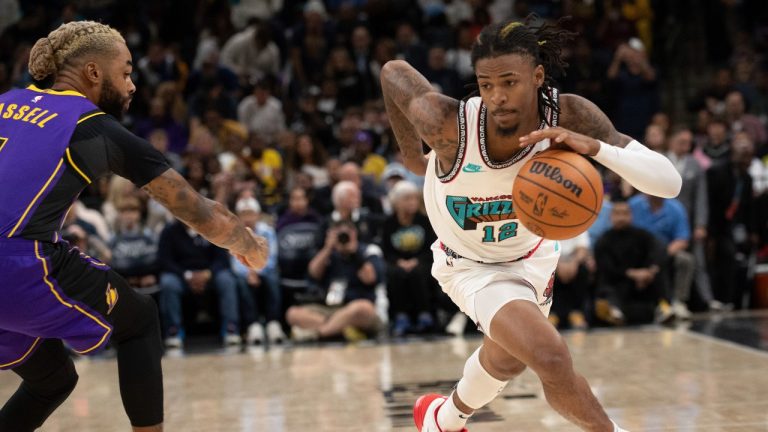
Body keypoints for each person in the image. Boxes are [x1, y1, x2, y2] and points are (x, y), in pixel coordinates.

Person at [381, 15, 681, 432]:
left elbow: (669, 182)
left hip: (533, 257)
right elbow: (393, 73)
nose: (497, 97)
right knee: (550, 356)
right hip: (469, 266)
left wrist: (594, 147)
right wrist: (412, 153)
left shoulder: (570, 114)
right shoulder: (448, 124)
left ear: (537, 75)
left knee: (507, 358)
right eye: (486, 85)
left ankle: (440, 420)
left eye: (509, 82)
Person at [0, 21, 267, 432]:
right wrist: (245, 241)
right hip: (15, 263)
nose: (132, 86)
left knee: (52, 379)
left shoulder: (5, 102)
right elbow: (197, 210)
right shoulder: (90, 127)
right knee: (139, 319)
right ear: (93, 72)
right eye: (125, 72)